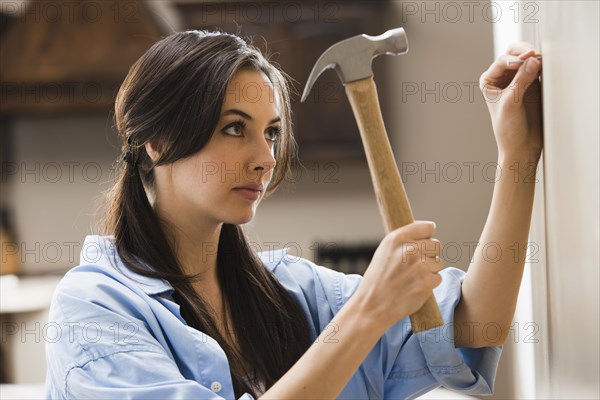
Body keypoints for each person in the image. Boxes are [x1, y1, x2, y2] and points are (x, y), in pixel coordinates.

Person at [44, 30, 543, 399]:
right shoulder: (93, 312)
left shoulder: (295, 293)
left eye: (272, 132)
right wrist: (368, 310)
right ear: (156, 141)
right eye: (235, 128)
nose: (264, 157)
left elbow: (476, 329)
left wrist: (517, 155)